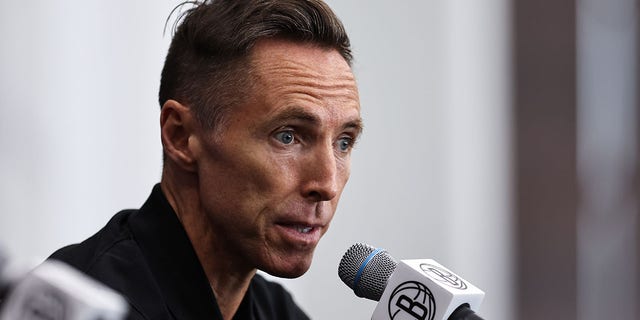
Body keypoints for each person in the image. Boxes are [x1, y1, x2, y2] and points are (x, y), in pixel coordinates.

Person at [48, 0, 362, 319]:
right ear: (181, 137)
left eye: (344, 142)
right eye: (288, 136)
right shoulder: (76, 306)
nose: (327, 184)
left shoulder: (277, 311)